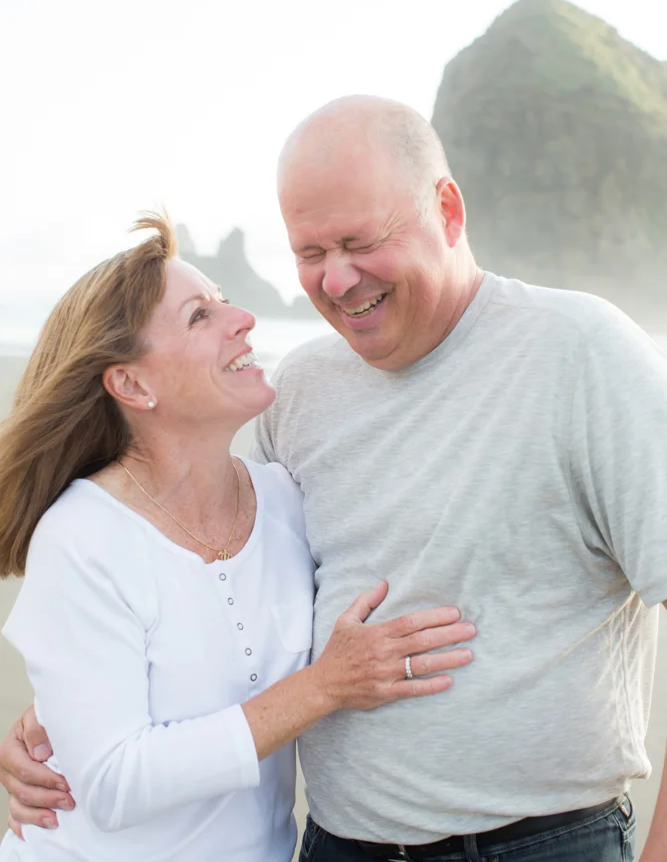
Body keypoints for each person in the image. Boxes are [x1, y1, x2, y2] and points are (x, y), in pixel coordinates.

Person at [3, 93, 667, 861]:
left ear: (447, 210)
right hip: (337, 845)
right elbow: (220, 613)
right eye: (310, 253)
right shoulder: (304, 390)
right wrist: (71, 719)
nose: (337, 280)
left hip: (543, 845)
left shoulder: (583, 353)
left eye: (358, 241)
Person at [0, 211, 476, 862]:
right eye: (200, 316)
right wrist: (325, 685)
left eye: (224, 302)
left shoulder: (287, 499)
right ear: (132, 384)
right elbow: (112, 784)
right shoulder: (81, 537)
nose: (242, 319)